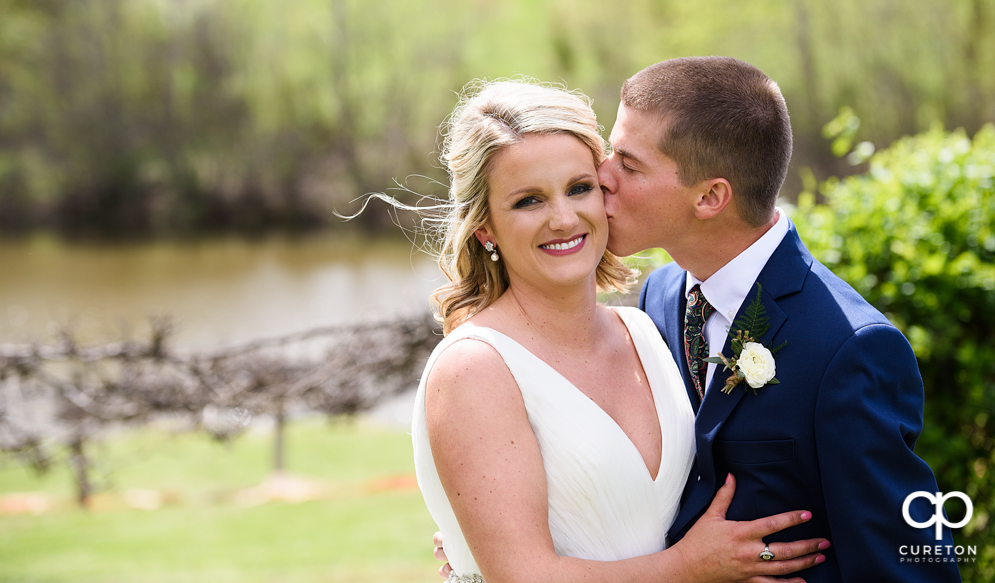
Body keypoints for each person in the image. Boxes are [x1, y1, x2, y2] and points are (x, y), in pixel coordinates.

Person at [411, 79, 830, 583]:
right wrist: (689, 568)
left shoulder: (649, 328)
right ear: (485, 227)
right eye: (528, 201)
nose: (564, 219)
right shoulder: (475, 368)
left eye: (579, 188)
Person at [592, 56, 960, 582]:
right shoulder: (659, 296)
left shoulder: (852, 349)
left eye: (629, 165)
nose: (601, 176)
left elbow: (913, 568)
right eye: (611, 151)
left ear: (710, 197)